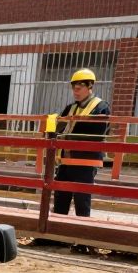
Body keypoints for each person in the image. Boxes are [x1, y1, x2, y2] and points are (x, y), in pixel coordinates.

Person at [54, 68, 110, 217]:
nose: (75, 92)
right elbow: (58, 128)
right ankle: (58, 237)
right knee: (60, 197)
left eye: (79, 88)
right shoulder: (71, 108)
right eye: (74, 89)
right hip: (66, 161)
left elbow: (96, 134)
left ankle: (82, 238)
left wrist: (68, 138)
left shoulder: (101, 107)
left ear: (89, 86)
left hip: (85, 162)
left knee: (82, 200)